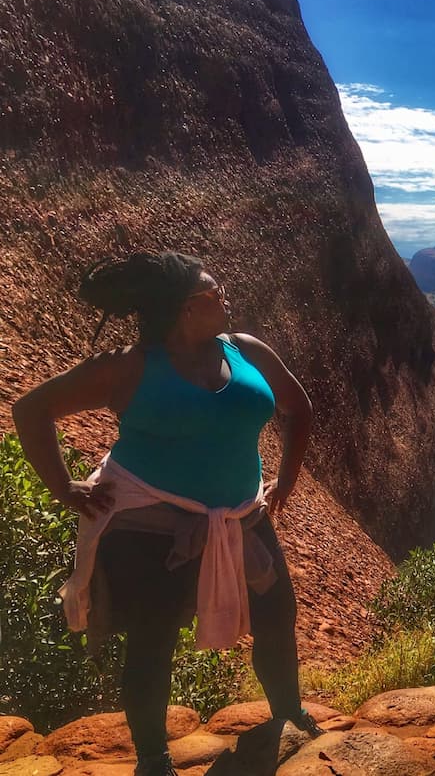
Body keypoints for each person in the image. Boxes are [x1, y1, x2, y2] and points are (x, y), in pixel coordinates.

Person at [12, 251, 319, 776]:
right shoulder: (129, 366)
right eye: (213, 292)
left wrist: (284, 485)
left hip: (242, 515)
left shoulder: (244, 349)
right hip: (151, 525)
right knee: (152, 640)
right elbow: (31, 409)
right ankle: (153, 758)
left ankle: (290, 716)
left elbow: (299, 407)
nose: (225, 297)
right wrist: (64, 487)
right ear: (185, 309)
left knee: (276, 619)